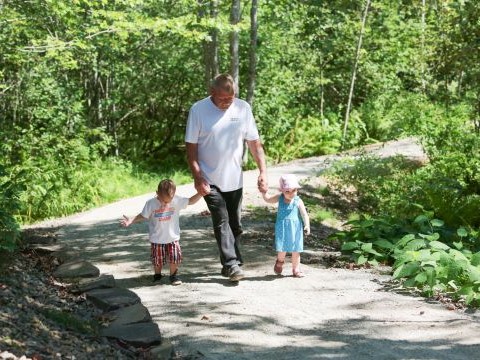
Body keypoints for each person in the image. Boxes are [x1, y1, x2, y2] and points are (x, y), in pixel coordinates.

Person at [185, 73, 268, 282]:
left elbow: (254, 143)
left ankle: (232, 262)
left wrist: (263, 172)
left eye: (230, 99)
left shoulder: (242, 108)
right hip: (208, 178)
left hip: (234, 179)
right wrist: (197, 177)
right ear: (212, 92)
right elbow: (191, 148)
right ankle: (231, 264)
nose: (226, 103)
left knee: (234, 224)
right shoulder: (198, 110)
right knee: (221, 220)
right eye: (222, 99)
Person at [120, 179, 202, 285]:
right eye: (163, 200)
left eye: (168, 201)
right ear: (157, 193)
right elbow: (143, 215)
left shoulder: (177, 200)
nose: (165, 203)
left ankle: (173, 276)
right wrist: (132, 220)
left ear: (174, 195)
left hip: (173, 237)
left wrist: (200, 193)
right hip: (157, 238)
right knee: (157, 259)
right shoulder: (151, 203)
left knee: (175, 257)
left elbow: (190, 201)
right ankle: (157, 275)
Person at [261, 174, 310, 277]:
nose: (291, 193)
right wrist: (264, 193)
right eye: (287, 191)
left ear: (297, 189)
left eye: (294, 190)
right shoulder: (280, 198)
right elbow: (268, 199)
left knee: (296, 250)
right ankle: (280, 262)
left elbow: (304, 214)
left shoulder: (298, 200)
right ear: (282, 190)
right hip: (282, 228)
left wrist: (307, 225)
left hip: (296, 229)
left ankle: (296, 269)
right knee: (282, 250)